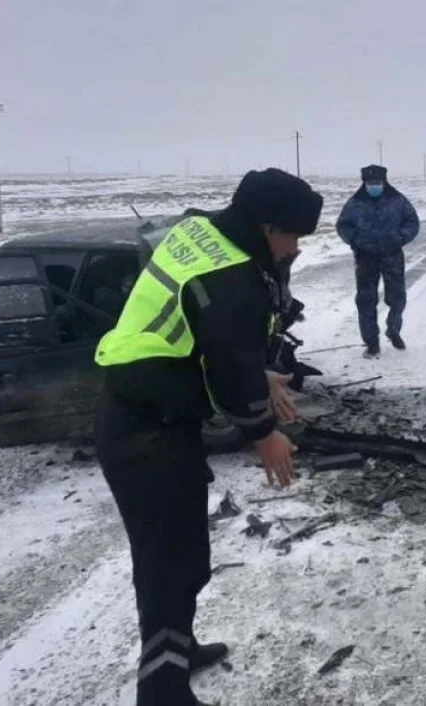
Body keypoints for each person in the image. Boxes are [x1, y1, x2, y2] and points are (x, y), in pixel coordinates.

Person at [94, 168, 323, 706]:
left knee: (181, 554)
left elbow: (202, 336)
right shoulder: (234, 277)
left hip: (149, 413)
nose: (294, 249)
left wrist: (258, 375)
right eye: (292, 237)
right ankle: (161, 688)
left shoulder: (199, 233)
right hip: (145, 430)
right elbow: (228, 361)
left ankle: (177, 650)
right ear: (267, 228)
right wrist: (264, 432)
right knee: (168, 559)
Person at [336, 165, 420, 357]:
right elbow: (343, 225)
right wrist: (356, 241)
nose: (374, 186)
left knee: (397, 299)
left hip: (392, 257)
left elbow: (413, 222)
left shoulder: (397, 201)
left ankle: (393, 330)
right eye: (370, 183)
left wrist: (399, 237)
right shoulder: (355, 203)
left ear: (384, 182)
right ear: (364, 183)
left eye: (377, 183)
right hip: (366, 258)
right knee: (366, 301)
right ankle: (371, 341)